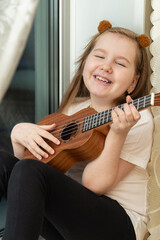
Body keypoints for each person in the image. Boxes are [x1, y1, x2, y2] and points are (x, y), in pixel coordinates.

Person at [0, 20, 153, 240]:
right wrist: (17, 139)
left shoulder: (138, 119)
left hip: (117, 226)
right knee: (5, 165)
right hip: (70, 223)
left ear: (133, 82)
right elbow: (25, 180)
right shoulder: (74, 109)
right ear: (85, 65)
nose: (106, 66)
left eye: (120, 63)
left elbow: (93, 185)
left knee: (29, 170)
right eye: (99, 56)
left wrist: (118, 134)